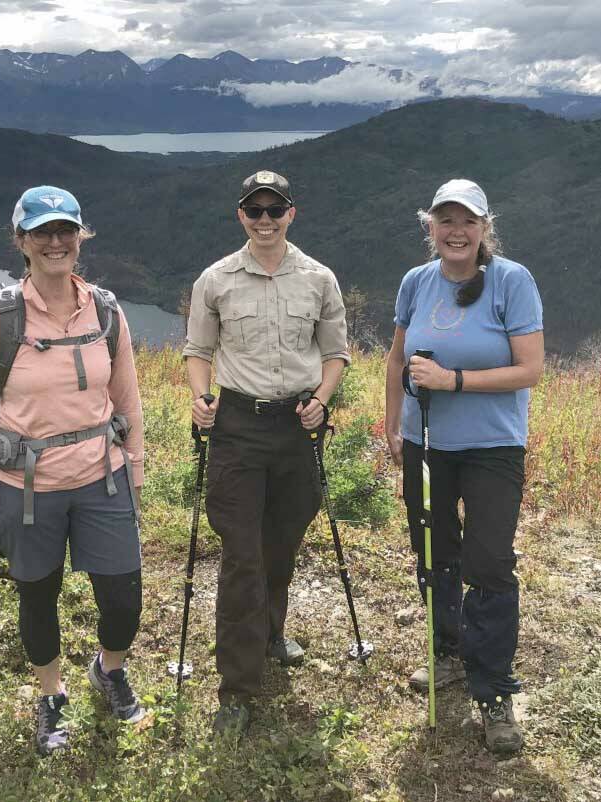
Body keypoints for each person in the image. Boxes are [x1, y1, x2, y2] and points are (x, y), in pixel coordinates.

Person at [0, 186, 146, 757]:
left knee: (124, 598)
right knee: (38, 597)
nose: (55, 242)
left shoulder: (106, 311)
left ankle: (108, 671)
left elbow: (128, 400)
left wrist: (134, 468)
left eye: (66, 230)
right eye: (42, 232)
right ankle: (51, 696)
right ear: (22, 242)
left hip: (102, 477)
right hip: (23, 486)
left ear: (81, 236)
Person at [183, 169, 350, 737]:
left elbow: (335, 354)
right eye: (254, 211)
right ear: (240, 216)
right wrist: (201, 397)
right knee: (241, 556)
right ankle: (237, 688)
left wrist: (322, 401)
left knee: (281, 544)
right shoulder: (216, 280)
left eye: (273, 210)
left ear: (290, 214)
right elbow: (198, 350)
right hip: (236, 427)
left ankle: (272, 633)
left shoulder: (319, 279)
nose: (264, 220)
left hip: (296, 428)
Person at [383, 178, 544, 755]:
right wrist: (391, 423)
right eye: (444, 220)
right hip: (424, 441)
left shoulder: (512, 281)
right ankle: (448, 652)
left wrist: (453, 381)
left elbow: (529, 370)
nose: (456, 231)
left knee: (490, 560)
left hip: (493, 446)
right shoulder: (416, 283)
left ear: (484, 228)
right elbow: (397, 356)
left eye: (467, 221)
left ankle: (494, 686)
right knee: (433, 550)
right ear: (430, 226)